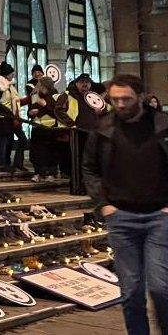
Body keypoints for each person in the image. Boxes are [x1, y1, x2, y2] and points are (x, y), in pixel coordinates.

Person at [82, 74, 168, 334]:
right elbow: (89, 167)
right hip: (121, 217)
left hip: (160, 217)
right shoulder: (103, 127)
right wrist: (103, 205)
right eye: (115, 99)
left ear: (141, 97)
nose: (120, 104)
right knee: (130, 291)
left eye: (126, 99)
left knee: (160, 287)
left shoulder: (163, 125)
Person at [26, 77, 75, 182]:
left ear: (44, 86)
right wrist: (30, 112)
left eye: (39, 84)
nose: (37, 86)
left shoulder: (55, 95)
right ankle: (38, 172)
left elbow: (56, 111)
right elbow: (31, 108)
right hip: (37, 127)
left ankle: (50, 173)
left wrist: (44, 105)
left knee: (50, 152)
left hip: (49, 128)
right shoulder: (35, 95)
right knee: (36, 152)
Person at [0, 62, 29, 173]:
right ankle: (1, 163)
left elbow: (16, 101)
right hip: (1, 117)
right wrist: (8, 111)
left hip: (11, 117)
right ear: (6, 75)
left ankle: (15, 163)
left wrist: (28, 99)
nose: (13, 76)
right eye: (11, 74)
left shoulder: (9, 86)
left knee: (19, 139)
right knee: (3, 140)